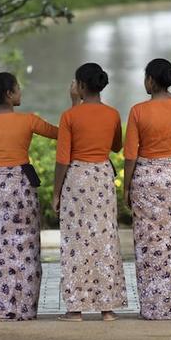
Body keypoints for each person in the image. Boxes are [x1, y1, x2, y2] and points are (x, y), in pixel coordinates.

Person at [0, 72, 58, 321]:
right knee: (26, 246)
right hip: (22, 185)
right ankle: (23, 309)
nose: (21, 91)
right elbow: (61, 133)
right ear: (9, 95)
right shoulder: (28, 121)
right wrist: (76, 105)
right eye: (18, 88)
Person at [52, 63, 127, 322]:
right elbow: (117, 146)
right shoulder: (113, 114)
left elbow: (63, 158)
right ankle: (108, 309)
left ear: (81, 86)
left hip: (77, 180)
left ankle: (75, 309)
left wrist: (55, 193)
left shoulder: (69, 116)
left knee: (76, 243)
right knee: (105, 240)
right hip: (103, 178)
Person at [123, 58, 171, 320]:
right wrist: (167, 92)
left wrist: (126, 188)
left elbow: (130, 154)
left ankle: (154, 307)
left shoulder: (138, 111)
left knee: (147, 244)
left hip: (145, 177)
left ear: (151, 81)